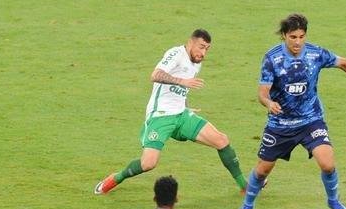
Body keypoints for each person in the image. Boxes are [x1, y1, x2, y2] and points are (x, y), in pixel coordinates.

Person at [234, 13, 346, 209]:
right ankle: (248, 204)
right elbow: (262, 92)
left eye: (301, 36)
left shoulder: (315, 54)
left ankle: (334, 201)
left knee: (328, 164)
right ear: (284, 36)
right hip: (280, 124)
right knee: (263, 170)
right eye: (293, 37)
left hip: (310, 120)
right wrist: (269, 103)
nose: (297, 42)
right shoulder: (272, 58)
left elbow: (343, 63)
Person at [95, 29, 247, 196]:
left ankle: (245, 186)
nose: (203, 53)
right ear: (190, 43)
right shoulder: (176, 54)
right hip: (160, 116)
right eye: (201, 47)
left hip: (181, 115)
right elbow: (155, 75)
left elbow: (182, 89)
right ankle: (116, 178)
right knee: (148, 164)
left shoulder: (196, 63)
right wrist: (182, 81)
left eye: (207, 49)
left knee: (221, 140)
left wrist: (186, 104)